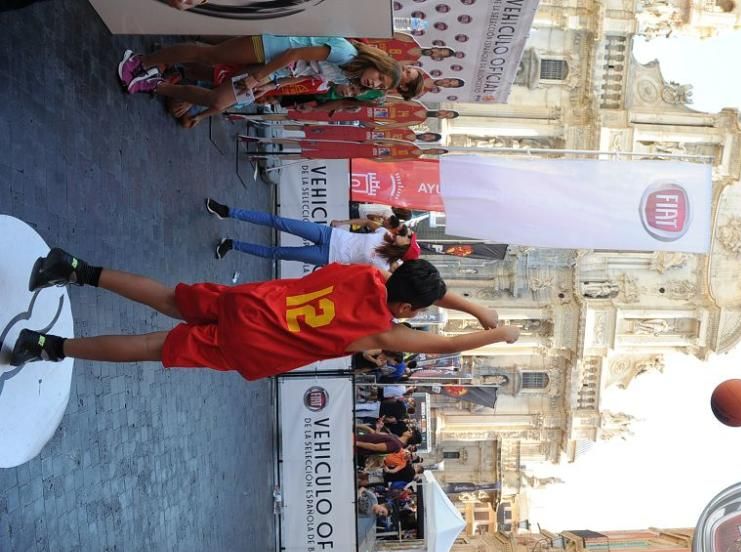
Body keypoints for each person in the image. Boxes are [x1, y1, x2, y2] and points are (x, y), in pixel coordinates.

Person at [11, 249, 518, 379]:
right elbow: (448, 346)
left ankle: (73, 268)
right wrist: (499, 335)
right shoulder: (380, 334)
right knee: (152, 347)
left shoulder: (369, 275)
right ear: (408, 310)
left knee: (166, 296)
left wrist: (474, 307)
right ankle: (47, 346)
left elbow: (415, 281)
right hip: (250, 343)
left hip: (249, 301)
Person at [118, 38, 401, 127]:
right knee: (209, 53)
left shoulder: (347, 73)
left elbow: (304, 71)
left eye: (378, 86)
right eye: (379, 78)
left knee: (219, 100)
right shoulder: (346, 52)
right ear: (378, 63)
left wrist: (269, 83)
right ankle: (144, 62)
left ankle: (152, 84)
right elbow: (295, 53)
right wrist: (260, 76)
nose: (373, 83)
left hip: (272, 71)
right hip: (271, 49)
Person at [204, 198, 419, 269]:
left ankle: (232, 245)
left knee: (277, 253)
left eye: (407, 238)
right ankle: (228, 211)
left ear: (403, 248)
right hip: (330, 235)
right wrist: (342, 222)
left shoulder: (383, 267)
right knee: (278, 222)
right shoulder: (384, 234)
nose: (405, 234)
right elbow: (367, 222)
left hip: (327, 257)